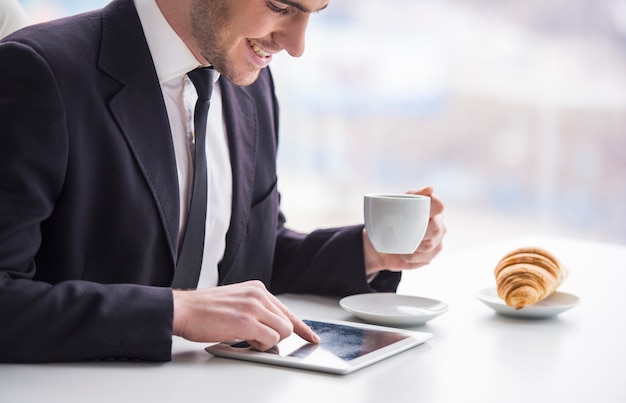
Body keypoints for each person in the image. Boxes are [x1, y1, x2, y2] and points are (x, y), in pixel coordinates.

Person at [0, 0, 446, 363]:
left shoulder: (248, 83)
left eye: (314, 12)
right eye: (280, 7)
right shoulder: (39, 71)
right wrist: (176, 311)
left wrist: (369, 251)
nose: (297, 45)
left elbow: (248, 257)